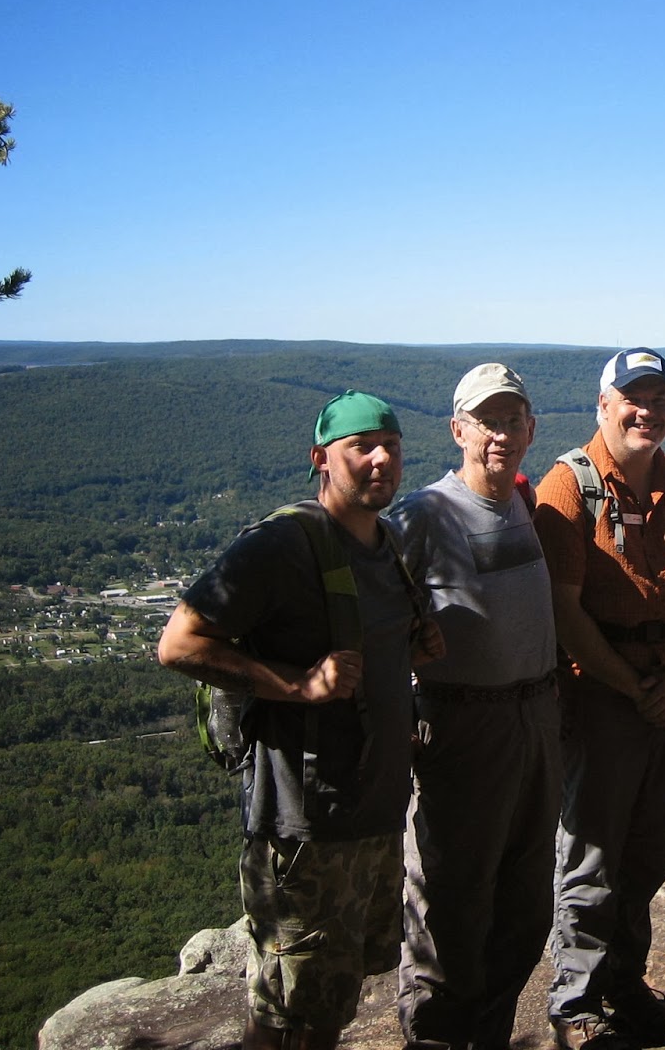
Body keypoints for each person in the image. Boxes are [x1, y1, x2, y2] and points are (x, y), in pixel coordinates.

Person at [157, 391, 443, 1050]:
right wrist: (295, 685)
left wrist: (413, 644)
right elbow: (178, 644)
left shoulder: (389, 543)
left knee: (331, 1002)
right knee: (292, 1014)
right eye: (361, 447)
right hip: (304, 831)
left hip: (372, 816)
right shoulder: (283, 544)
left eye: (391, 446)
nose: (380, 460)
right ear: (320, 458)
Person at [535, 348, 665, 1050]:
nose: (648, 411)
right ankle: (575, 1001)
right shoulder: (567, 488)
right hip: (603, 698)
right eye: (632, 398)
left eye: (660, 399)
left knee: (646, 851)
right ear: (603, 406)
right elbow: (568, 617)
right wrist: (644, 690)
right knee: (591, 850)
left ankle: (624, 980)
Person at [388, 364, 560, 1050]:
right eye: (486, 421)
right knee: (451, 900)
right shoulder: (424, 514)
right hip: (462, 725)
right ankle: (434, 1035)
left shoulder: (525, 500)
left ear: (531, 429)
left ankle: (487, 1032)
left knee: (524, 900)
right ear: (458, 430)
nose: (501, 434)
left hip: (536, 719)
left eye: (512, 419)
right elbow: (376, 619)